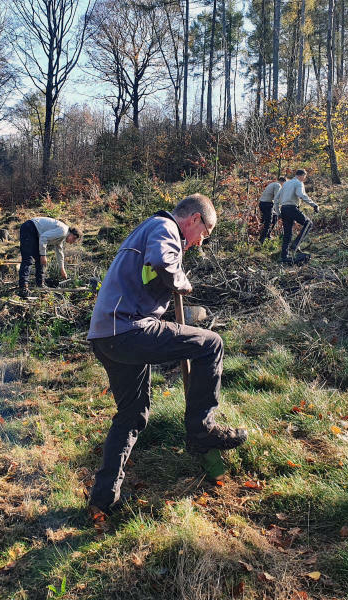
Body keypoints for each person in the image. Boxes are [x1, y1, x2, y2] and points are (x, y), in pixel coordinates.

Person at [86, 193, 248, 518]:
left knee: (132, 415)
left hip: (106, 335)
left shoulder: (148, 230)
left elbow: (148, 274)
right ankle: (202, 429)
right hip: (129, 329)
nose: (199, 243)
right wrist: (181, 282)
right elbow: (162, 262)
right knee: (211, 344)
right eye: (203, 235)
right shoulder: (165, 226)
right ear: (194, 220)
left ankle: (103, 500)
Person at [18, 217, 81, 298]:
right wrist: (43, 255)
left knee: (40, 261)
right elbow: (44, 237)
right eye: (73, 240)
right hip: (30, 228)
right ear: (73, 235)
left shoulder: (62, 237)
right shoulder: (63, 231)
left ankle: (40, 285)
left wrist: (62, 269)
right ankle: (23, 288)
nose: (72, 243)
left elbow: (59, 253)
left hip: (35, 232)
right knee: (28, 259)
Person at [275, 169, 318, 264]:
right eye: (304, 177)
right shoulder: (298, 183)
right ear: (302, 175)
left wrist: (278, 213)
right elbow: (301, 194)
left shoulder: (286, 184)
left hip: (284, 209)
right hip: (292, 208)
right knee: (308, 223)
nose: (304, 179)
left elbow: (276, 199)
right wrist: (314, 205)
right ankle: (295, 245)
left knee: (287, 234)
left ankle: (284, 257)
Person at [258, 176, 287, 243]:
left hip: (262, 203)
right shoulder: (278, 185)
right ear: (283, 182)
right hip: (267, 204)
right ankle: (262, 240)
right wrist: (279, 209)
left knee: (275, 217)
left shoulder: (272, 184)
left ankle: (267, 235)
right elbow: (277, 198)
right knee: (268, 222)